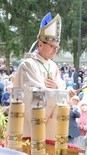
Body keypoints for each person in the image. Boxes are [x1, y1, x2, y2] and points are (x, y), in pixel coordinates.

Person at [12, 12, 66, 140]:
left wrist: (58, 87)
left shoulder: (53, 66)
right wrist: (59, 92)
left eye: (57, 47)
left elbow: (61, 85)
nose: (55, 50)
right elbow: (35, 95)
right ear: (40, 44)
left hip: (51, 127)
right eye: (52, 46)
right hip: (30, 128)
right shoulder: (28, 65)